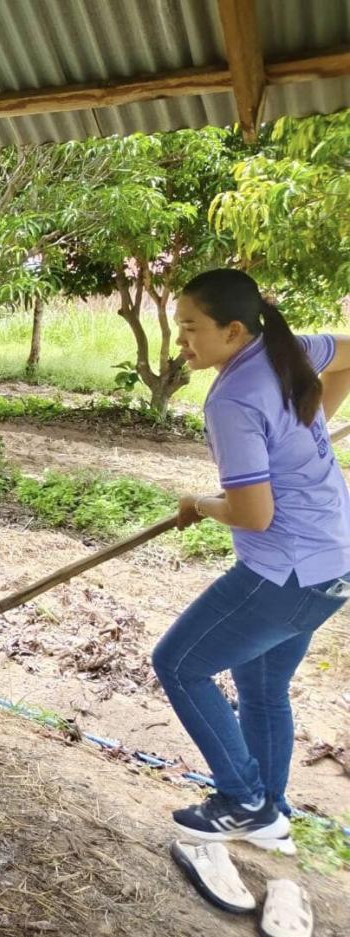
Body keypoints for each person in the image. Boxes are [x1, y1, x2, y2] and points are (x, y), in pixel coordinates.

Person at [156, 268, 350, 851]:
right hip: (335, 562)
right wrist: (313, 419)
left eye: (190, 328)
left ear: (233, 330)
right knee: (262, 684)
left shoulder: (233, 398)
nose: (181, 342)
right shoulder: (283, 347)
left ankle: (242, 801)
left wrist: (201, 503)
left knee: (179, 663)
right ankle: (272, 811)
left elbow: (253, 513)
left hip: (287, 573)